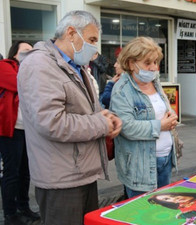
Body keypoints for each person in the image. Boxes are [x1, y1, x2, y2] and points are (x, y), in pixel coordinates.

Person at [17, 10, 122, 225]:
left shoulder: (75, 66)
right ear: (71, 33)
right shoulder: (40, 65)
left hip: (80, 171)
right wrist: (102, 123)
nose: (95, 47)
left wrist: (107, 115)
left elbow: (85, 110)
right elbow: (52, 122)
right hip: (61, 178)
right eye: (92, 39)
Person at [110, 37, 178, 198]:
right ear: (132, 63)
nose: (153, 68)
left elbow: (162, 108)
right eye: (148, 63)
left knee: (163, 210)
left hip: (165, 159)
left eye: (155, 62)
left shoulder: (155, 81)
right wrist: (160, 126)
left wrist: (171, 115)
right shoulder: (122, 90)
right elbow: (126, 127)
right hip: (140, 167)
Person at [0, 41, 39, 225]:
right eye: (25, 51)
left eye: (32, 51)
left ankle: (24, 206)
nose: (29, 54)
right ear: (14, 53)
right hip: (11, 130)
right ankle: (10, 213)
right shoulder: (4, 66)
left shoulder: (33, 71)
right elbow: (20, 86)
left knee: (25, 172)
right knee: (11, 172)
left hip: (29, 130)